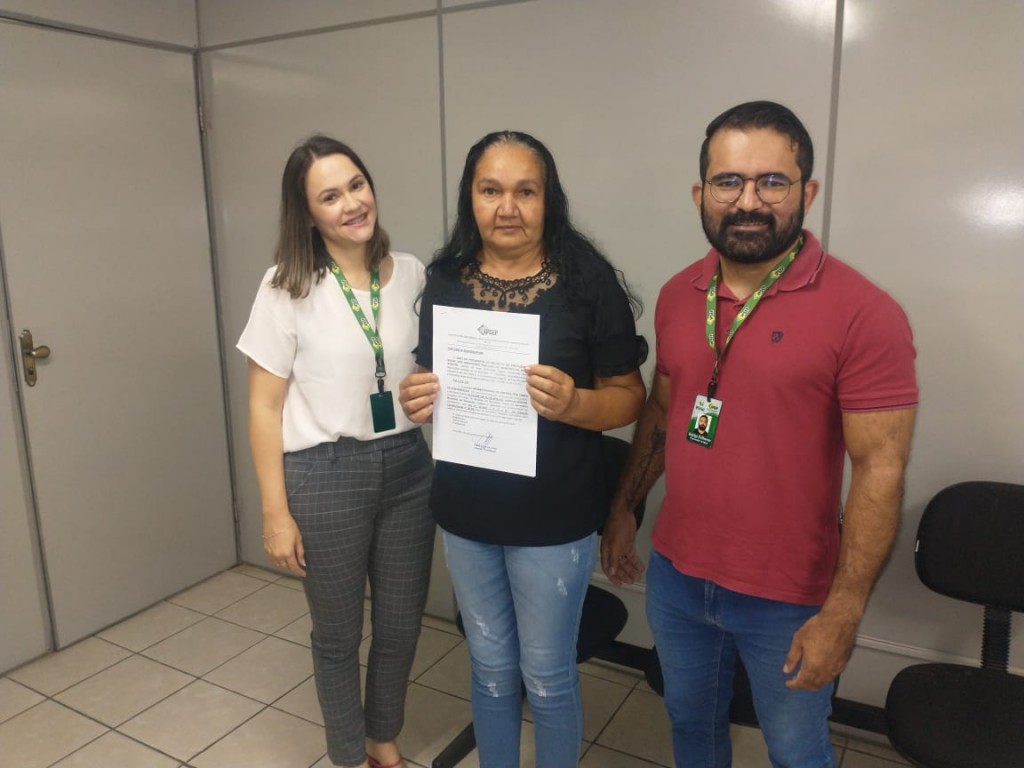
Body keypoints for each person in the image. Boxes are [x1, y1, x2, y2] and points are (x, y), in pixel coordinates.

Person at [601, 101, 918, 768]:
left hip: (789, 595)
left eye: (772, 181)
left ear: (808, 192)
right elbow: (663, 408)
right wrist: (625, 510)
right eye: (729, 182)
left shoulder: (865, 313)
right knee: (691, 725)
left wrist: (844, 612)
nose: (748, 201)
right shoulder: (677, 295)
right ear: (701, 195)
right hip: (678, 576)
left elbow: (881, 470)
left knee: (796, 751)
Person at [399, 130, 646, 768]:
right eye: (491, 191)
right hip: (466, 511)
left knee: (548, 676)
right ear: (470, 198)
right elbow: (435, 381)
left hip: (553, 517)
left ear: (548, 199)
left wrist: (574, 403)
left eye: (525, 192)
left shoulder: (586, 282)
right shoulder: (446, 280)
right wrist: (419, 398)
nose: (507, 208)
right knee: (488, 669)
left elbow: (629, 398)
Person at [238, 135, 434, 768]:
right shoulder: (286, 286)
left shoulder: (412, 274)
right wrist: (275, 514)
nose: (352, 204)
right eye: (330, 196)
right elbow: (263, 407)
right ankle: (349, 754)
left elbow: (423, 372)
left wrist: (426, 395)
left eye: (356, 185)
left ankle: (382, 737)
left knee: (401, 625)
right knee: (339, 634)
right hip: (324, 474)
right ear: (308, 213)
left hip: (408, 467)